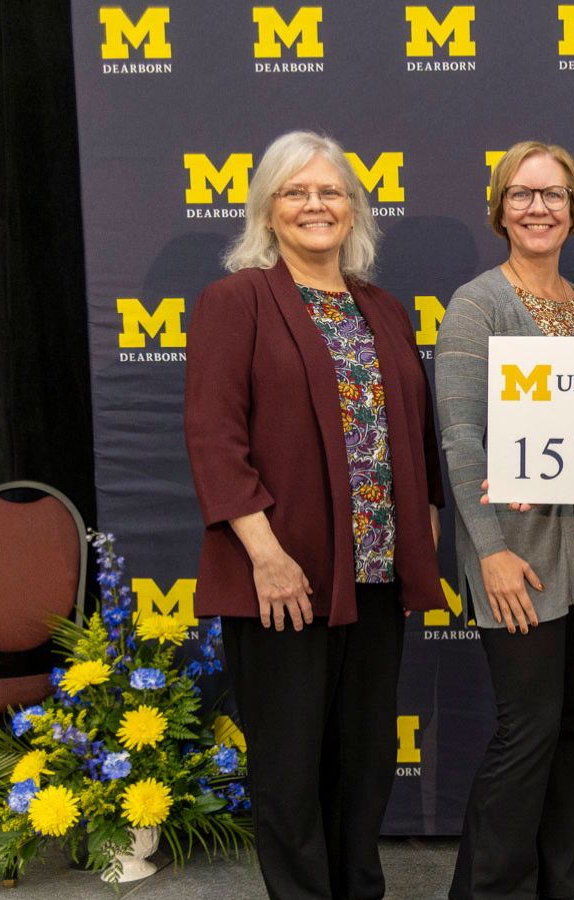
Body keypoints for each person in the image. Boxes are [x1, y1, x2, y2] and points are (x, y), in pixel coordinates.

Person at [183, 129, 444, 900]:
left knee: (364, 763)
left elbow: (417, 432)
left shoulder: (382, 308)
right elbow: (214, 436)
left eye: (330, 191)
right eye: (296, 192)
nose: (315, 205)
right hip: (285, 581)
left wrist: (424, 520)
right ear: (267, 210)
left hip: (372, 576)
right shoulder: (238, 301)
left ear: (354, 209)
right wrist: (264, 552)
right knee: (291, 768)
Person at [436, 141, 574, 900]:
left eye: (553, 195)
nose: (538, 209)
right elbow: (460, 436)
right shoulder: (478, 303)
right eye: (522, 195)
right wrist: (487, 551)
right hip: (518, 553)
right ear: (499, 209)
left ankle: (564, 886)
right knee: (527, 733)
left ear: (573, 209)